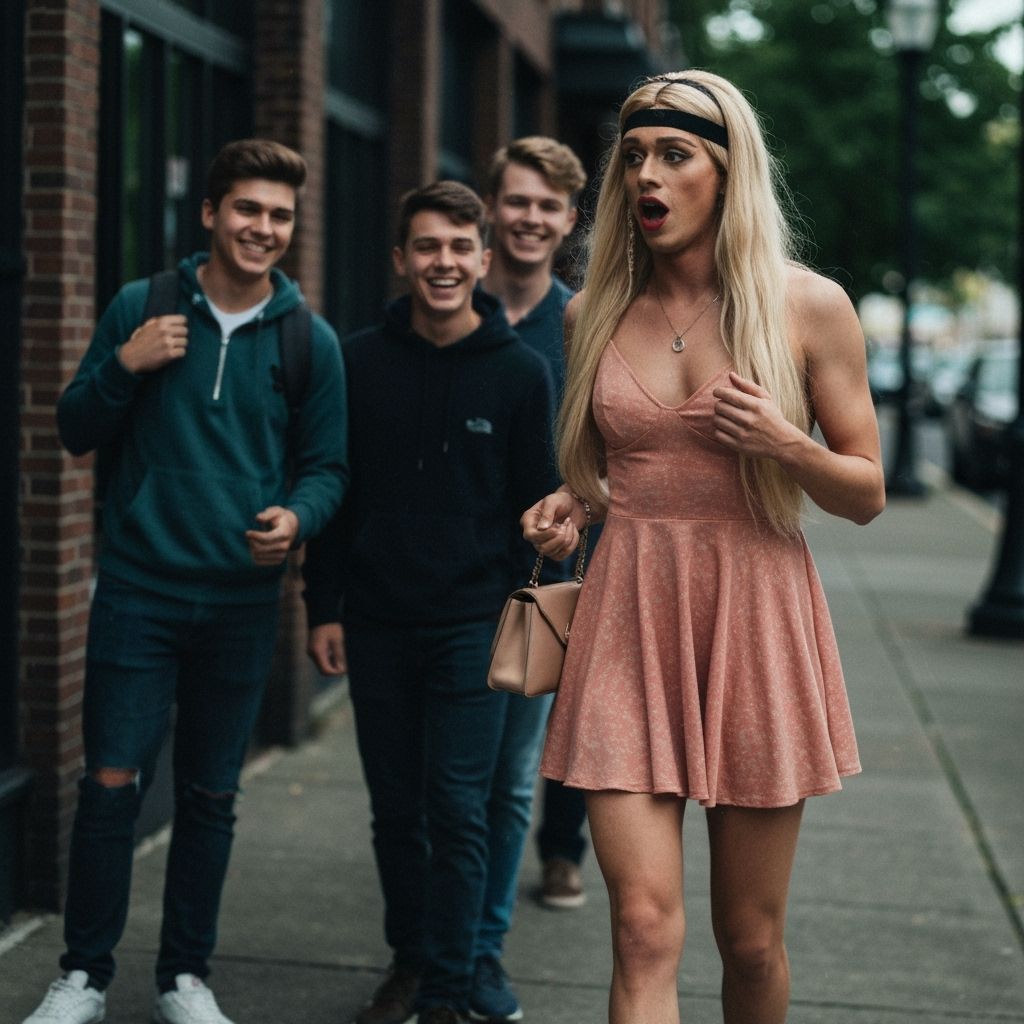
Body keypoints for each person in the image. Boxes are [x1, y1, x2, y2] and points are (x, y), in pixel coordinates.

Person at [521, 71, 885, 1024]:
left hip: (756, 624)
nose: (648, 173)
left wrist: (785, 442)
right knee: (641, 928)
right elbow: (608, 473)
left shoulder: (808, 307)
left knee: (750, 939)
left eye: (675, 155)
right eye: (634, 156)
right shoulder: (588, 312)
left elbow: (868, 493)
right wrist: (569, 503)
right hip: (628, 622)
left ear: (727, 176)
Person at [24, 139, 348, 1024]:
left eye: (280, 215)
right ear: (210, 213)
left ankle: (184, 979)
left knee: (211, 795)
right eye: (248, 209)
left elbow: (327, 468)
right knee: (110, 787)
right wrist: (125, 366)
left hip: (241, 606)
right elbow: (74, 426)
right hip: (137, 592)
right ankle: (83, 976)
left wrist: (297, 517)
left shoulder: (305, 339)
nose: (264, 228)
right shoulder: (146, 306)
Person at [303, 181, 557, 1024]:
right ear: (401, 259)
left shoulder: (521, 373)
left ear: (483, 260)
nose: (442, 264)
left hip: (472, 628)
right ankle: (409, 963)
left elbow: (538, 506)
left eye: (458, 248)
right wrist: (322, 607)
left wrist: (525, 591)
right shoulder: (356, 359)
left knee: (459, 811)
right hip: (375, 621)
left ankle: (449, 986)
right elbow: (336, 494)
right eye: (426, 248)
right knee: (394, 812)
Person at [475, 133, 589, 1015]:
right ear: (492, 208)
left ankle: (484, 945)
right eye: (517, 200)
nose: (531, 218)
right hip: (444, 579)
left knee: (518, 772)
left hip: (546, 587)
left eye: (548, 205)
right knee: (452, 777)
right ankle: (447, 935)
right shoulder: (453, 305)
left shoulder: (582, 323)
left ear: (570, 220)